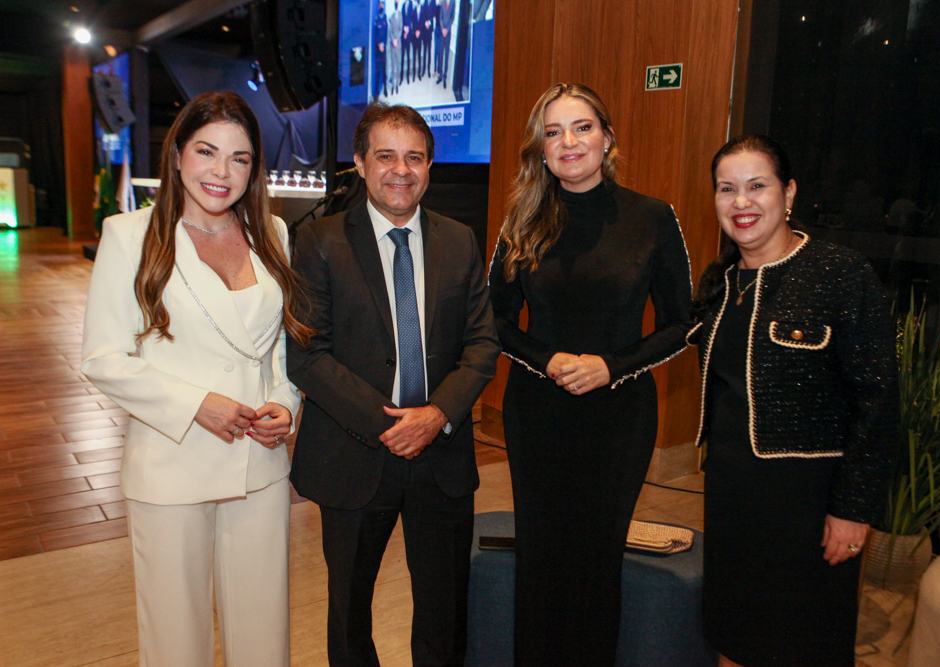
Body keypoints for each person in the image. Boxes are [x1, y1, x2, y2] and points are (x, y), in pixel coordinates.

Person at [80, 91, 311, 667]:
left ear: (254, 168)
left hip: (259, 462)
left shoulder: (272, 232)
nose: (221, 171)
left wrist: (284, 403)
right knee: (175, 638)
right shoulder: (130, 235)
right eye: (207, 151)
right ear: (178, 154)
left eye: (239, 158)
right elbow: (104, 357)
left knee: (263, 632)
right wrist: (196, 404)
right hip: (171, 462)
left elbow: (282, 348)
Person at [288, 102, 500, 667]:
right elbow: (307, 355)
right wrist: (393, 425)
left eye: (415, 157)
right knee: (349, 614)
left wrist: (436, 415)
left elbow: (482, 344)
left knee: (444, 613)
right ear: (360, 163)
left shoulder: (460, 240)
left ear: (430, 166)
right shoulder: (320, 240)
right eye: (386, 156)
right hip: (354, 454)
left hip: (441, 454)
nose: (401, 170)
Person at [488, 83, 693, 666]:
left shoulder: (653, 217)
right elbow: (494, 320)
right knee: (541, 557)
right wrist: (547, 359)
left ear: (607, 137)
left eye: (582, 127)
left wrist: (612, 366)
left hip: (619, 418)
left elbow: (682, 323)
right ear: (541, 148)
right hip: (537, 413)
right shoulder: (522, 221)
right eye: (553, 132)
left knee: (598, 561)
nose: (569, 141)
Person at [689, 134, 897, 667]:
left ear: (789, 193)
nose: (741, 202)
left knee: (803, 640)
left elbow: (876, 400)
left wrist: (852, 510)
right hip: (731, 492)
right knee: (734, 634)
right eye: (726, 189)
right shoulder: (720, 282)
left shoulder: (839, 273)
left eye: (757, 186)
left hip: (806, 501)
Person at [435, 0, 455, 88]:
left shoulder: (453, 2)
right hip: (442, 32)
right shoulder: (442, 2)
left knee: (446, 55)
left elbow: (452, 17)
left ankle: (445, 77)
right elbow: (440, 17)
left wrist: (447, 29)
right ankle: (440, 75)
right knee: (440, 54)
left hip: (448, 33)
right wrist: (443, 29)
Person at [373, 1, 388, 99]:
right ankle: (376, 94)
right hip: (378, 49)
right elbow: (375, 34)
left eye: (382, 4)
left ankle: (385, 88)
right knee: (378, 71)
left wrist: (383, 44)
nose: (381, 6)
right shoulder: (376, 19)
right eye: (380, 5)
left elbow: (386, 33)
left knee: (384, 69)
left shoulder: (385, 18)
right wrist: (379, 44)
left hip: (384, 47)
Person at [388, 2, 403, 95]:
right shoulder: (392, 16)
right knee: (393, 65)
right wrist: (393, 40)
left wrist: (396, 40)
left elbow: (401, 29)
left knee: (398, 65)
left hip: (398, 44)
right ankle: (393, 84)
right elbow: (390, 31)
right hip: (392, 45)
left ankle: (397, 84)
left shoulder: (400, 15)